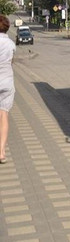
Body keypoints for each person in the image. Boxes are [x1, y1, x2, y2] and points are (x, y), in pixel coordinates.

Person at [0, 14, 16, 164]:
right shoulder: (11, 44)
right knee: (3, 115)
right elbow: (11, 62)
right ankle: (2, 152)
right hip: (7, 83)